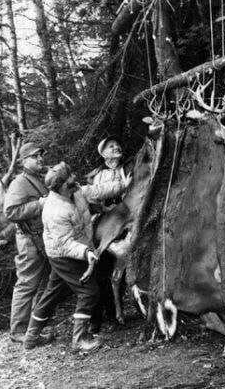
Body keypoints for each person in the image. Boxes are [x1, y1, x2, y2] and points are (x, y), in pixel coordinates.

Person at [23, 162, 128, 351]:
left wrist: (122, 185)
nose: (75, 178)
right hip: (63, 255)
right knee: (89, 292)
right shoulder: (55, 211)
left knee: (52, 293)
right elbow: (64, 244)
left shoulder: (75, 191)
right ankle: (79, 339)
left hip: (76, 249)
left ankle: (31, 337)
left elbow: (96, 191)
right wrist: (86, 252)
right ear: (63, 185)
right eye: (70, 176)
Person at [3, 142, 51, 343]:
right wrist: (38, 205)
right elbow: (10, 211)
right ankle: (18, 331)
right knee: (26, 284)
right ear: (23, 162)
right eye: (35, 157)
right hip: (29, 239)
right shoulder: (19, 183)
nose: (40, 159)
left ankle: (36, 326)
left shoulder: (39, 179)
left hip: (42, 238)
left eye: (41, 155)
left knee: (43, 284)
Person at [86, 137, 133, 332]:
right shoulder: (97, 175)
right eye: (111, 146)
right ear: (103, 153)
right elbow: (92, 197)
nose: (116, 147)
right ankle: (97, 318)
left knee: (120, 272)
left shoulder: (129, 168)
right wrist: (104, 208)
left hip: (127, 223)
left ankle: (116, 314)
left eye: (117, 144)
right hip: (104, 225)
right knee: (101, 270)